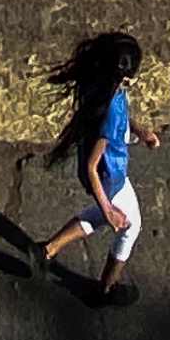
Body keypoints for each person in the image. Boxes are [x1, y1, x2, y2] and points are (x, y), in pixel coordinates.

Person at [33, 30, 157, 307]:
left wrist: (140, 130)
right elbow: (92, 166)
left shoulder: (102, 86)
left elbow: (121, 115)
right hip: (110, 176)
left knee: (102, 216)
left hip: (105, 173)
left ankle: (47, 250)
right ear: (124, 77)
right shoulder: (108, 112)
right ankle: (104, 291)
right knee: (131, 226)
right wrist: (108, 211)